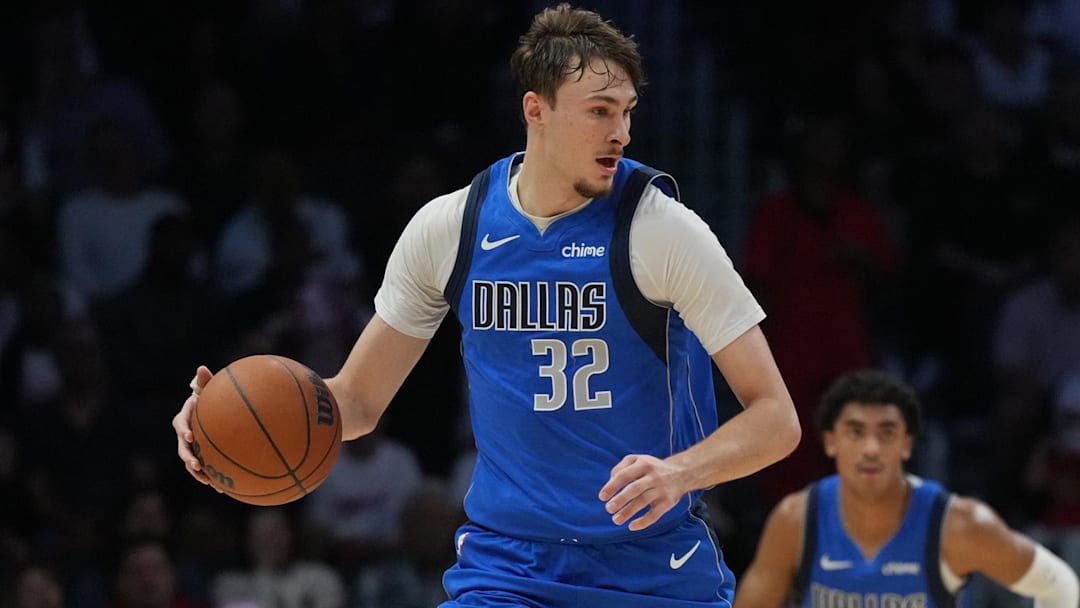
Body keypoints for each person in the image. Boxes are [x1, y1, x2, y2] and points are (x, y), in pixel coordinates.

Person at [174, 4, 801, 606]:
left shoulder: (662, 229)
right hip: (510, 570)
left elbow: (776, 417)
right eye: (600, 111)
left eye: (627, 113)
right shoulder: (452, 228)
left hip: (652, 569)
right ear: (537, 110)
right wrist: (218, 423)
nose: (621, 133)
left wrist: (680, 473)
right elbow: (357, 402)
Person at [733, 369, 1079, 608]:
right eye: (855, 432)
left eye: (886, 434)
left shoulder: (960, 525)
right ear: (830, 442)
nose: (871, 448)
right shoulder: (796, 521)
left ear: (907, 445)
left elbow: (1059, 584)